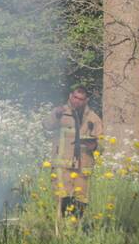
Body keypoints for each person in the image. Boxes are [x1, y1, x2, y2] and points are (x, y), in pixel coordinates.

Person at [42, 86, 103, 219]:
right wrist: (55, 115)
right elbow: (47, 125)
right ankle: (60, 233)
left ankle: (76, 231)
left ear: (86, 100)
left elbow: (103, 145)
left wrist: (95, 145)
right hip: (62, 167)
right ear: (70, 96)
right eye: (75, 97)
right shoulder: (60, 112)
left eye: (81, 99)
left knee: (81, 201)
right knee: (62, 199)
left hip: (83, 168)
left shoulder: (93, 118)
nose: (77, 101)